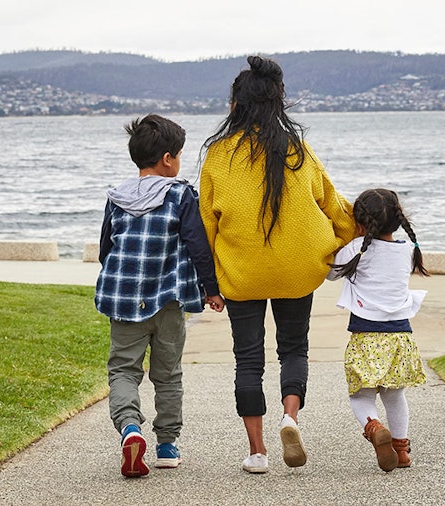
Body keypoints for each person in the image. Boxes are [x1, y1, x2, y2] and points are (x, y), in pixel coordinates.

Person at [198, 55, 358, 474]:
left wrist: (209, 283)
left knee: (247, 359)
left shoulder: (217, 155)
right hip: (295, 271)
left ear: (237, 104)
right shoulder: (297, 149)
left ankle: (257, 452)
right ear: (276, 103)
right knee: (294, 347)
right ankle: (291, 418)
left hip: (240, 273)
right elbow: (334, 205)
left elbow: (206, 224)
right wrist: (346, 239)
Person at [95, 114, 225, 478]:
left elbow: (107, 248)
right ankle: (167, 445)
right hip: (168, 302)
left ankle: (130, 429)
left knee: (123, 369)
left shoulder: (117, 197)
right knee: (168, 374)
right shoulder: (180, 195)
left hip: (123, 302)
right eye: (179, 155)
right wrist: (210, 290)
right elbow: (197, 246)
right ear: (168, 158)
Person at [326, 188, 430, 472]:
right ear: (398, 220)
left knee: (361, 395)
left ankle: (373, 427)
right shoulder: (408, 251)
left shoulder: (355, 251)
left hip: (366, 336)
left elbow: (331, 273)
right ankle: (401, 449)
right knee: (395, 395)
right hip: (400, 336)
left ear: (359, 222)